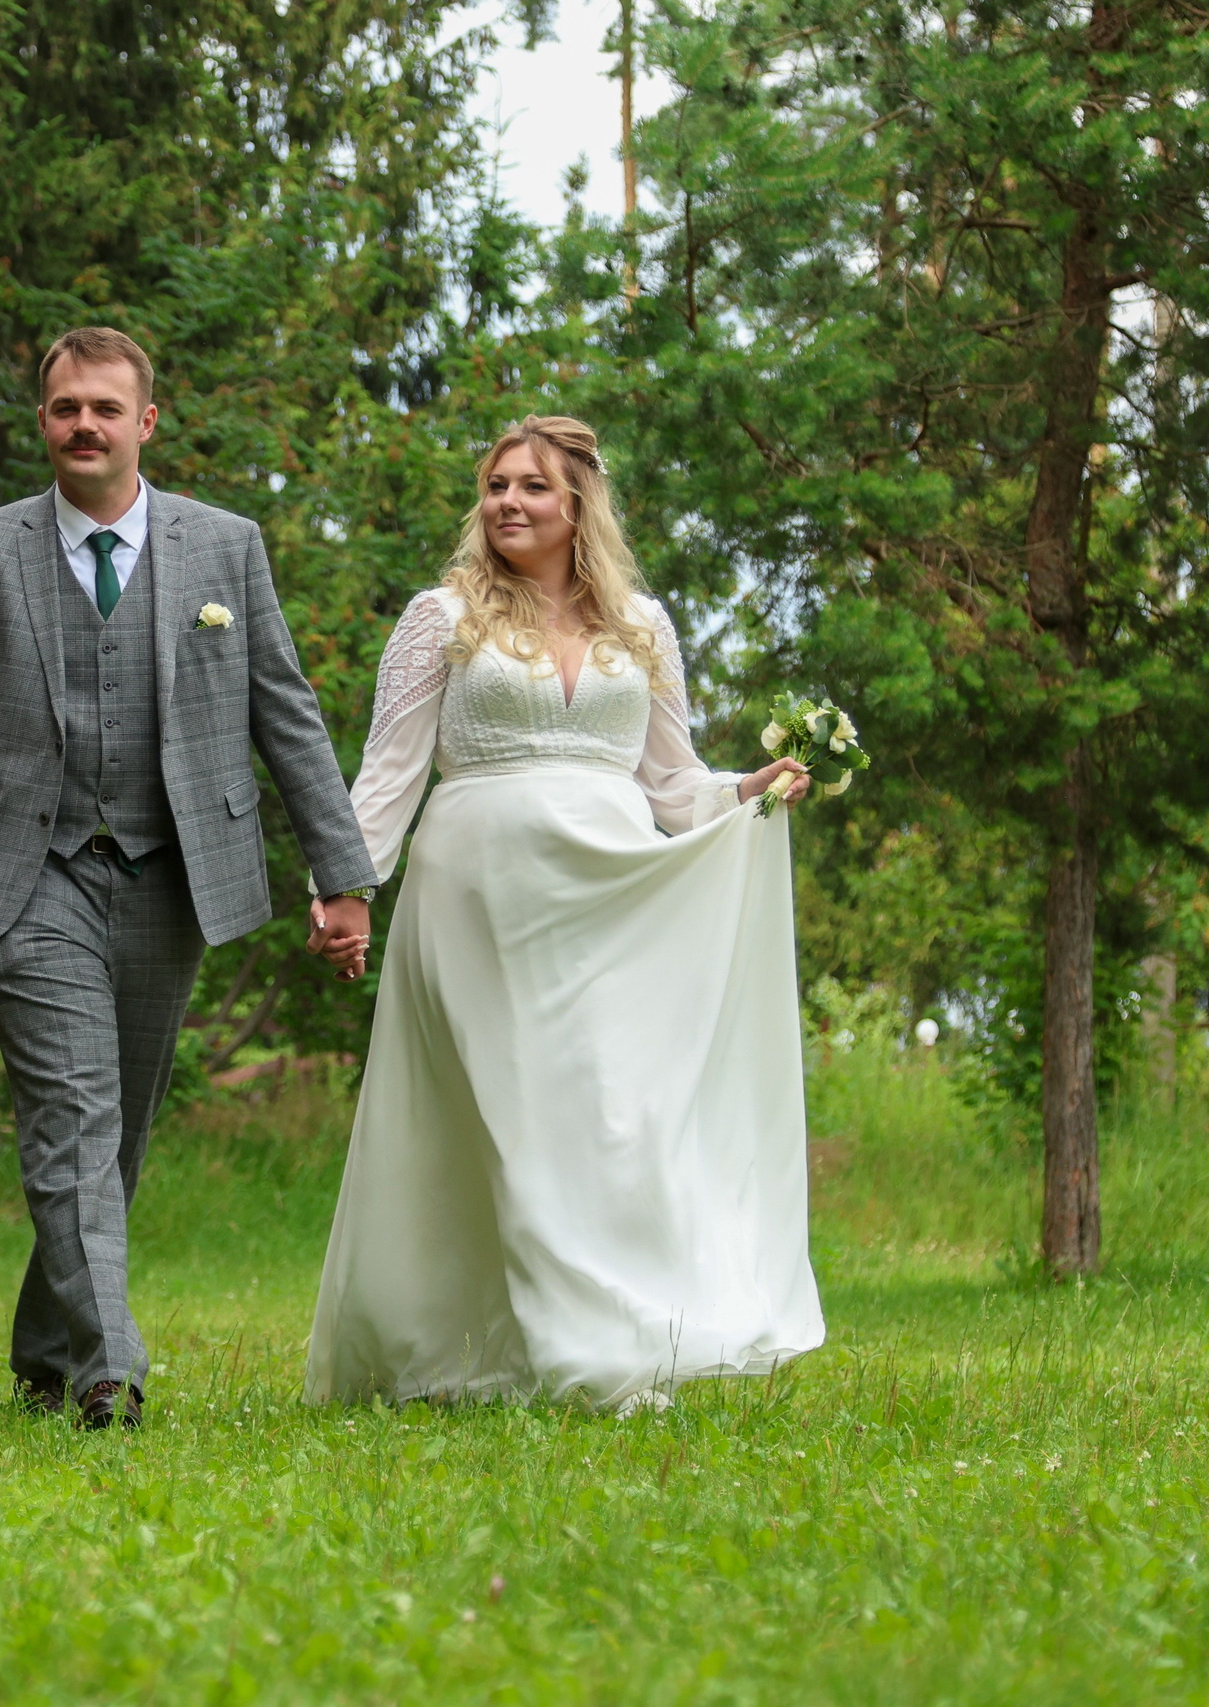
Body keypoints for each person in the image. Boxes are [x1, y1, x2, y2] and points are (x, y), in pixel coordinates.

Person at [0, 328, 378, 1430]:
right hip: (30, 874)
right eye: (63, 409)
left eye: (104, 408)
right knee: (73, 1116)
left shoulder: (224, 548)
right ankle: (108, 1370)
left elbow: (282, 715)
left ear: (146, 423)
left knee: (120, 1133)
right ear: (41, 423)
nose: (82, 425)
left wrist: (339, 877)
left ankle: (44, 1348)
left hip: (169, 875)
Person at [303, 415, 827, 1412]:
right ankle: (517, 1355)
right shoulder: (440, 617)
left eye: (531, 487)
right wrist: (346, 889)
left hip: (608, 895)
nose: (507, 503)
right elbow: (387, 773)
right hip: (478, 896)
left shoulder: (643, 625)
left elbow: (669, 780)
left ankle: (610, 1337)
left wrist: (743, 789)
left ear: (576, 502)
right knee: (508, 1117)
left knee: (605, 1116)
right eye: (496, 486)